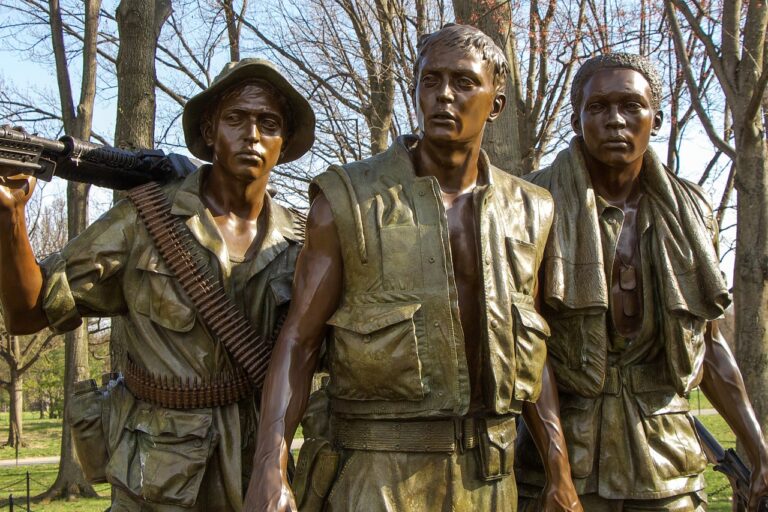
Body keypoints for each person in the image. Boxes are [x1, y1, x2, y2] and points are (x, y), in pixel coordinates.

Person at [245, 24, 582, 512]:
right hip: (377, 473)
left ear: (498, 102)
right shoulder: (348, 200)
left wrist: (559, 470)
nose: (444, 95)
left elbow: (530, 348)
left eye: (464, 82)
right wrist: (269, 468)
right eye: (431, 80)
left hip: (491, 477)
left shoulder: (532, 210)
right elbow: (299, 339)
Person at [0, 58, 315, 511]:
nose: (252, 135)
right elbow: (28, 313)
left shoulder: (303, 242)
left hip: (260, 467)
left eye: (268, 124)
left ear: (283, 145)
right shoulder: (146, 219)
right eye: (236, 119)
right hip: (158, 475)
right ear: (209, 132)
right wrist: (11, 217)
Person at [515, 53, 768, 511]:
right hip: (568, 461)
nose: (615, 120)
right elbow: (525, 349)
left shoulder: (692, 210)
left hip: (666, 460)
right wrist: (557, 469)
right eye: (599, 107)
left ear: (657, 118)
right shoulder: (532, 204)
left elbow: (706, 343)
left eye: (631, 106)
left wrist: (758, 448)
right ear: (577, 118)